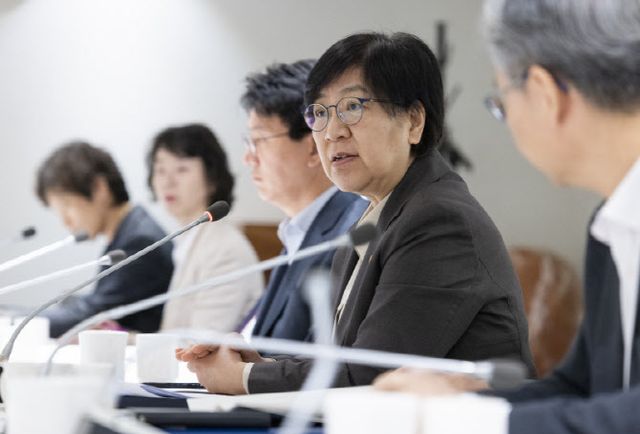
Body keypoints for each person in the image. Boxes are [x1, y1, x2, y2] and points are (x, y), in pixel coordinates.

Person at [176, 32, 534, 395]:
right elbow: (342, 363)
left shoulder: (439, 221)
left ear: (413, 121)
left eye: (353, 107)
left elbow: (370, 377)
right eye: (319, 113)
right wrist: (258, 364)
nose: (332, 132)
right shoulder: (377, 217)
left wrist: (243, 378)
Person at [375, 1, 640, 434]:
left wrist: (461, 421)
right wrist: (462, 402)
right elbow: (582, 387)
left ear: (542, 92)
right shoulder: (610, 227)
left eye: (501, 104)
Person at [236, 60, 368, 341]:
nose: (248, 158)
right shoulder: (300, 230)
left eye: (258, 141)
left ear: (313, 147)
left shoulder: (348, 236)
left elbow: (313, 356)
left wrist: (242, 364)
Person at [35, 141, 173, 337]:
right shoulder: (128, 232)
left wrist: (15, 320)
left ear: (99, 188)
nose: (66, 222)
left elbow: (89, 316)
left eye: (67, 206)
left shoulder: (140, 242)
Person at [148, 123, 263, 332]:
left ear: (212, 179)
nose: (167, 182)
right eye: (160, 170)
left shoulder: (224, 251)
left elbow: (201, 343)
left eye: (181, 169)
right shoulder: (187, 240)